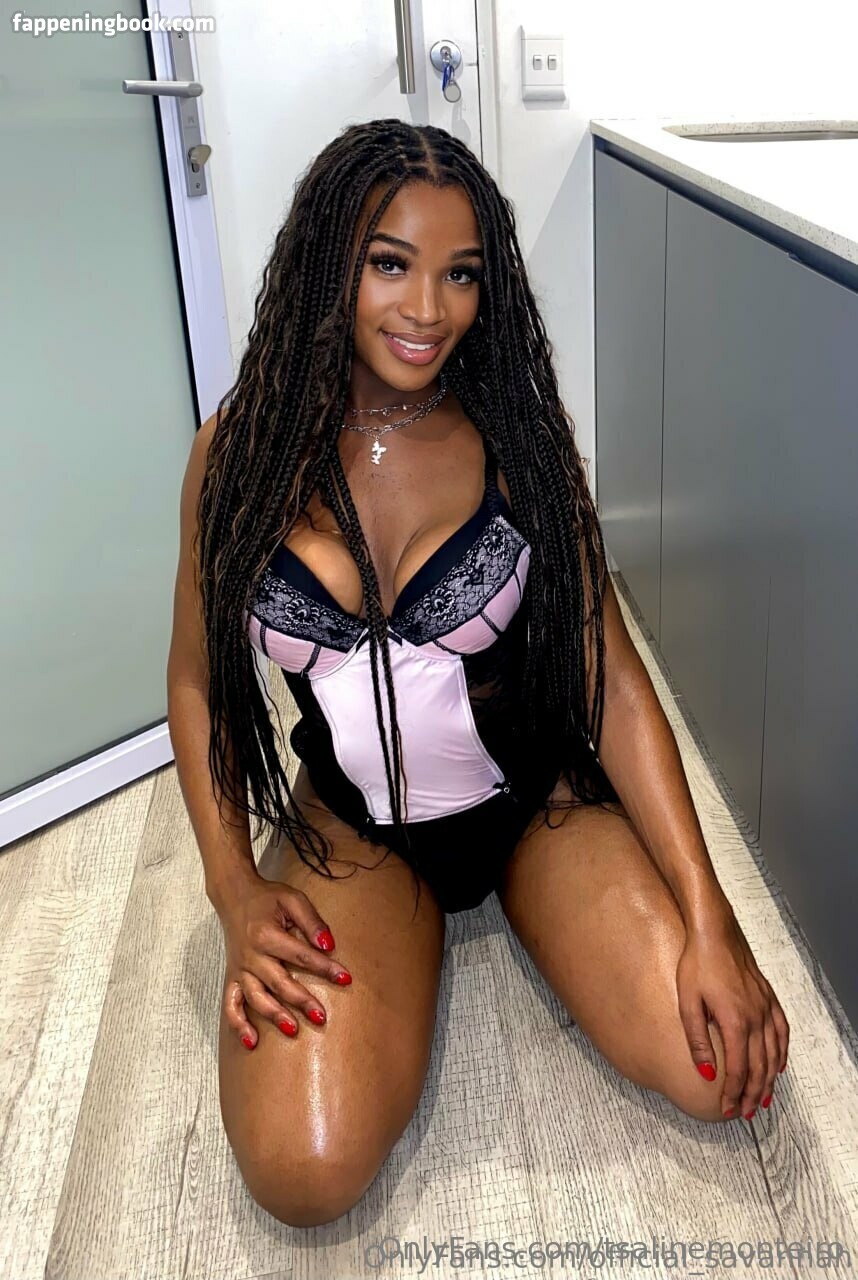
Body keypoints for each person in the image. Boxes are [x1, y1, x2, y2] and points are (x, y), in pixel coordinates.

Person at [166, 119, 789, 1227]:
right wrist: (233, 889)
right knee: (303, 1171)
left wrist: (711, 917)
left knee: (717, 1072)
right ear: (327, 261)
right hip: (355, 824)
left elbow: (611, 677)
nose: (428, 310)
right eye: (389, 262)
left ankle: (536, 908)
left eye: (460, 274)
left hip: (535, 805)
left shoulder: (517, 438)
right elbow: (198, 684)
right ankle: (397, 940)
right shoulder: (237, 453)